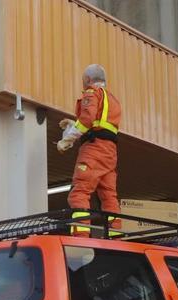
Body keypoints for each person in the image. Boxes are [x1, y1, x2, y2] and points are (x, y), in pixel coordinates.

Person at [57, 64, 123, 236]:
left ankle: (80, 236)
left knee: (79, 192)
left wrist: (67, 140)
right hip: (110, 152)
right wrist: (73, 124)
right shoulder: (113, 100)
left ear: (87, 80)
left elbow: (87, 120)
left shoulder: (91, 93)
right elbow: (100, 124)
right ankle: (116, 236)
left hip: (93, 149)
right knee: (108, 195)